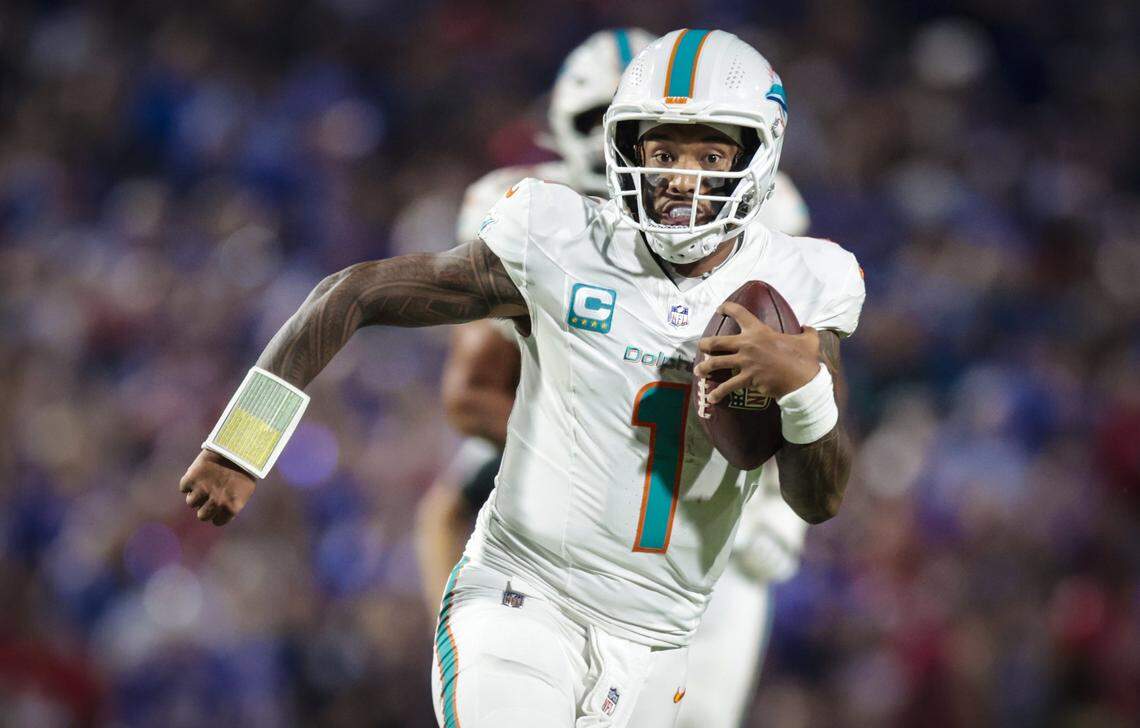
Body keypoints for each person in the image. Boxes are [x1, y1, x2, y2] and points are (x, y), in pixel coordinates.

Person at [179, 28, 865, 728]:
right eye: (662, 153)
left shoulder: (804, 280)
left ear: (759, 155)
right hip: (525, 599)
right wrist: (242, 440)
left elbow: (820, 498)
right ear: (624, 149)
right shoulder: (559, 236)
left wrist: (805, 390)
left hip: (661, 646)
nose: (682, 179)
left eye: (710, 154)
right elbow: (352, 294)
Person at [416, 28, 817, 728]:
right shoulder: (527, 209)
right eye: (612, 127)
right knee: (452, 508)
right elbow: (471, 392)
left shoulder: (768, 213)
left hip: (703, 472)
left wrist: (772, 498)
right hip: (560, 429)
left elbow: (799, 385)